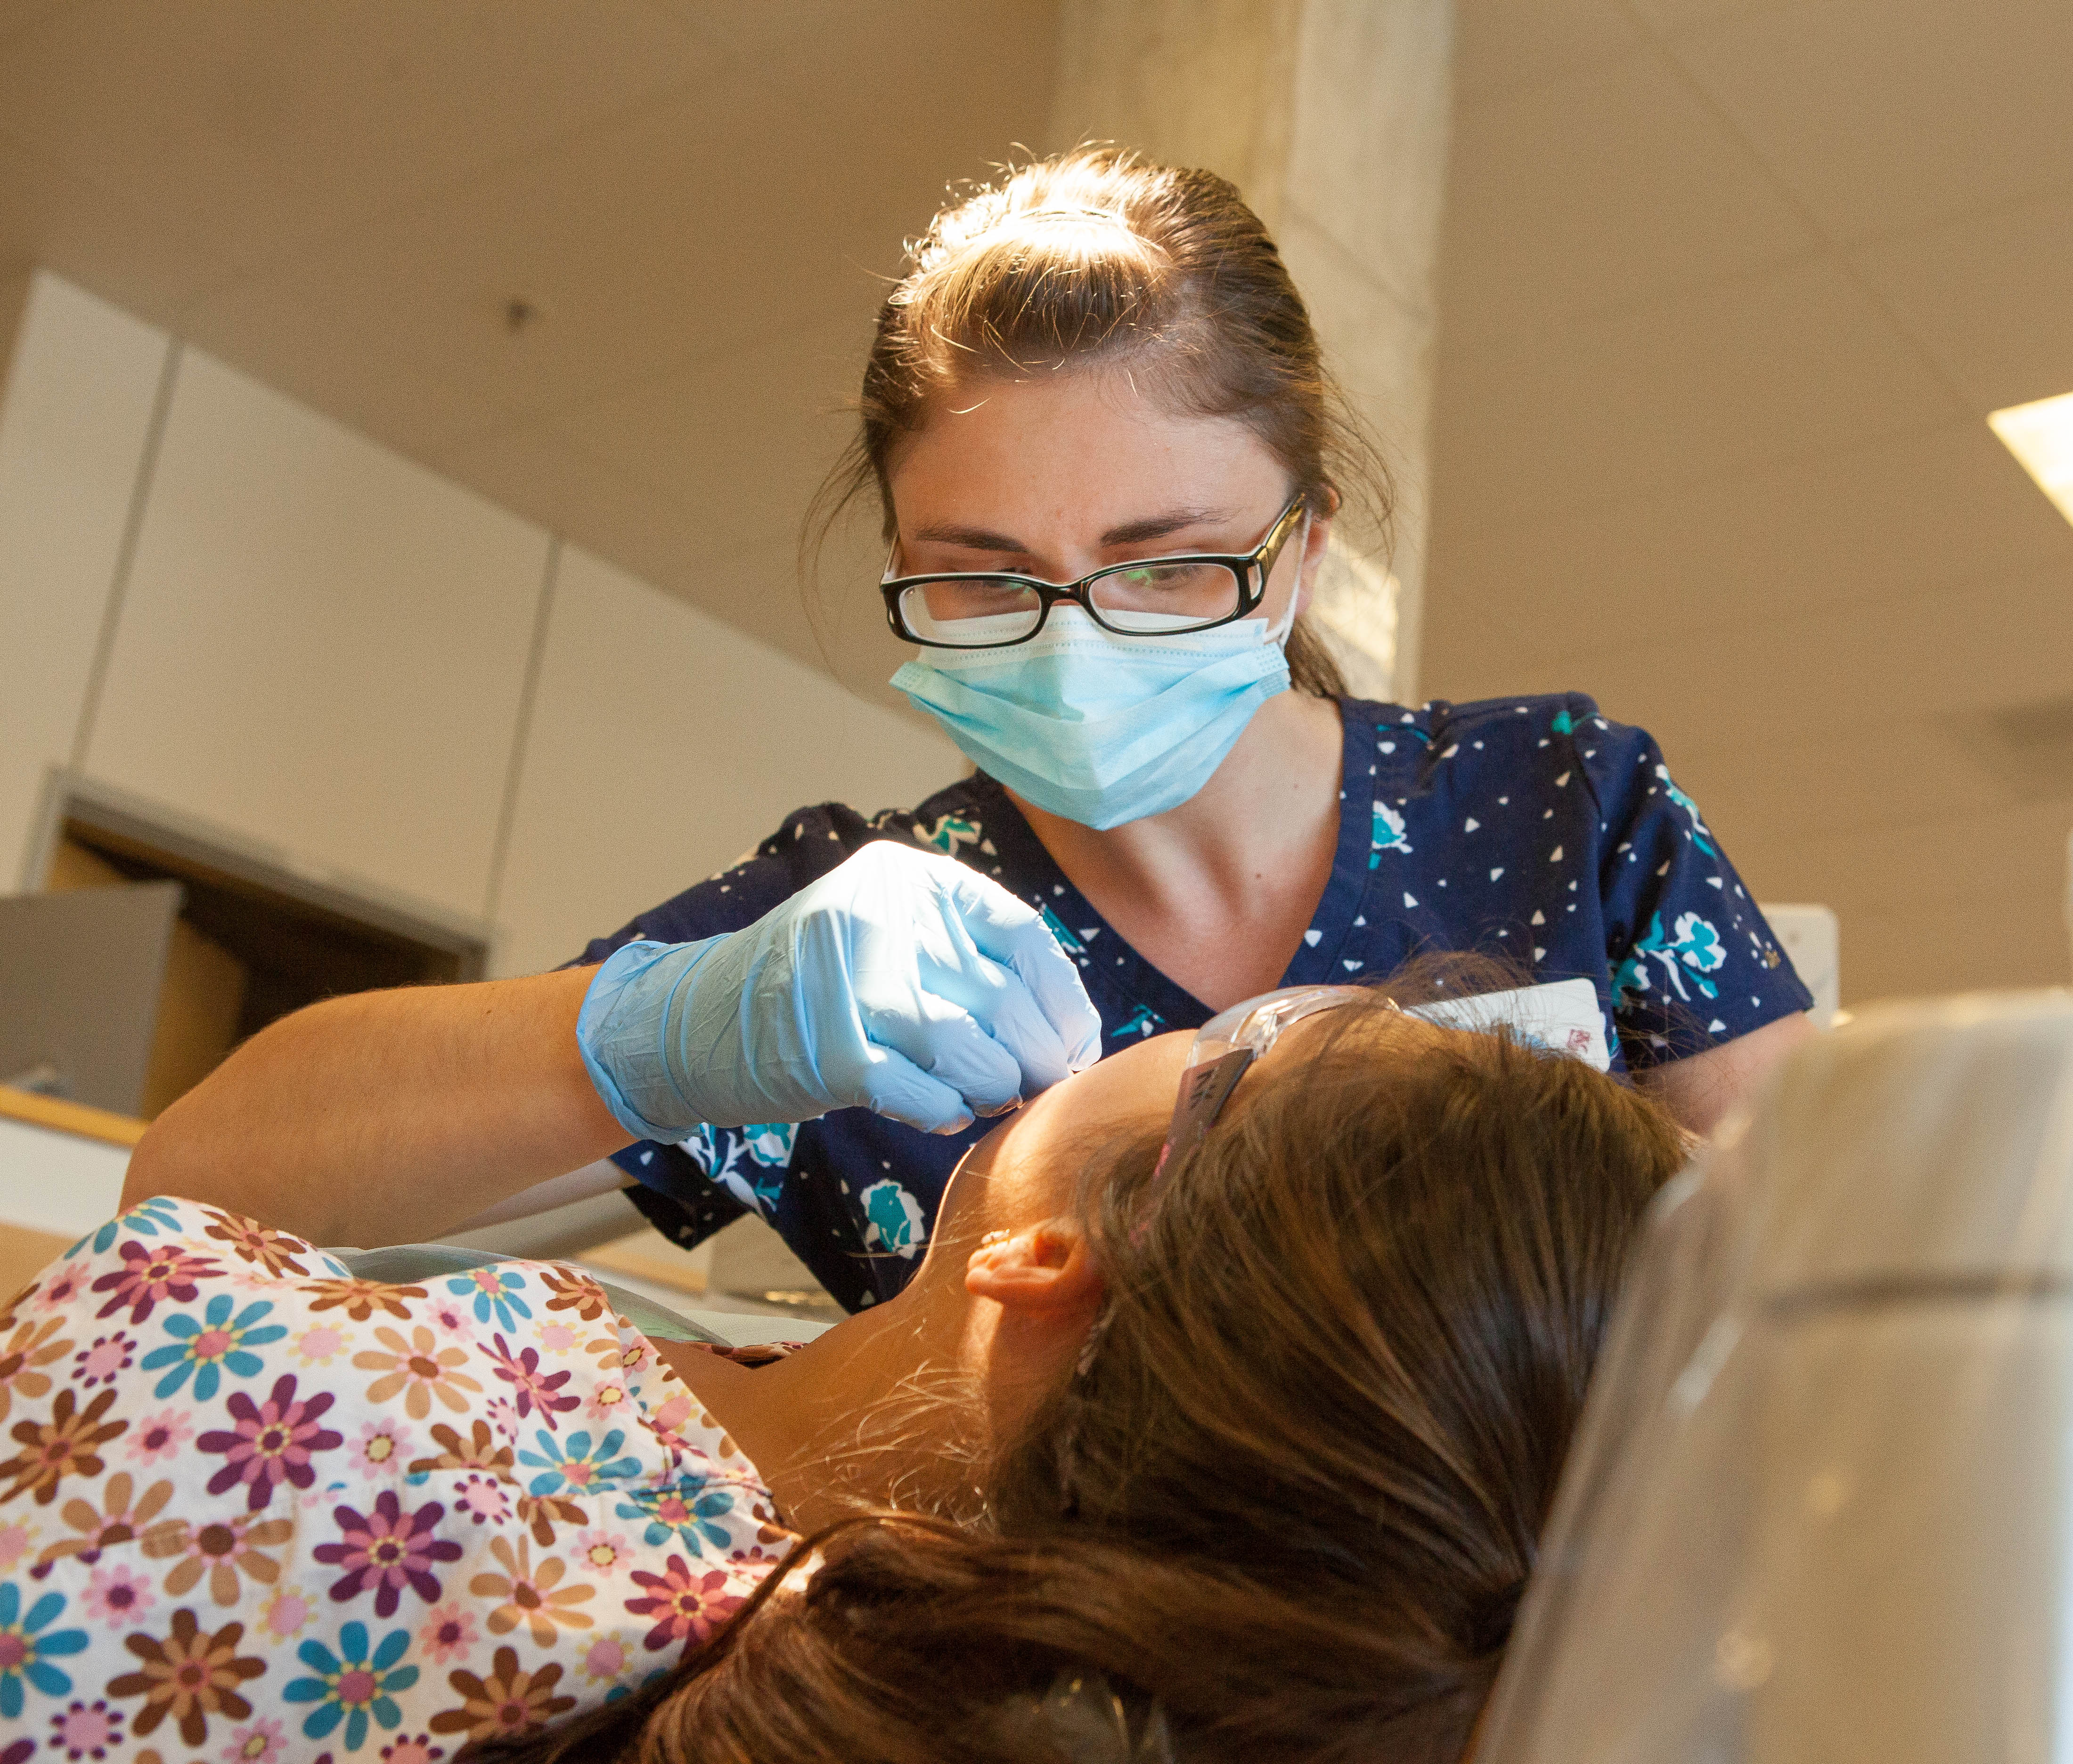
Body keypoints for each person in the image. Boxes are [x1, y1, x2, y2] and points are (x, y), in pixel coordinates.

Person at [124, 146, 1812, 1314]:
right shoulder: (841, 950)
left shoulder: (1553, 807)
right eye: (986, 580)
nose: (1077, 647)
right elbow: (195, 1187)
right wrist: (654, 1033)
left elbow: (1838, 1244)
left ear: (1297, 557)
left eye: (1165, 567)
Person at [5, 988, 1686, 1759]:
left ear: (1051, 1255)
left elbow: (169, 1212)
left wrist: (638, 1029)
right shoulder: (809, 1643)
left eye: (1242, 1042)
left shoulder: (374, 1452)